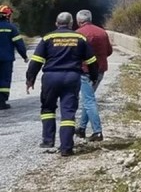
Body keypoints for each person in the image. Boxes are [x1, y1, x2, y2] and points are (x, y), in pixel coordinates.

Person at [26, 12, 99, 157]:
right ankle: (66, 147)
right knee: (68, 112)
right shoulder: (80, 38)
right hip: (71, 78)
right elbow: (91, 61)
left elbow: (36, 61)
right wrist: (94, 77)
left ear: (56, 23)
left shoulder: (47, 38)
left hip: (50, 78)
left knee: (47, 109)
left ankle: (48, 140)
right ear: (71, 24)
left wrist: (30, 79)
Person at [75, 9, 113, 141]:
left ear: (79, 21)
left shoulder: (78, 34)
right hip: (100, 70)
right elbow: (109, 51)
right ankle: (81, 128)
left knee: (89, 100)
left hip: (85, 71)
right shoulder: (102, 32)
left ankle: (97, 132)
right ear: (90, 18)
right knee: (88, 99)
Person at [0, 5, 28, 109]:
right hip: (6, 59)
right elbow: (19, 44)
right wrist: (24, 56)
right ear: (7, 16)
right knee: (4, 80)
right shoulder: (11, 28)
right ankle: (1, 102)